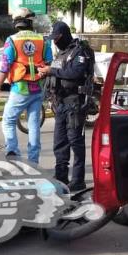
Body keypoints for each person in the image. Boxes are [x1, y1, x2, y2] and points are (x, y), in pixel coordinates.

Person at [40, 21, 94, 192]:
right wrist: (45, 71)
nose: (54, 42)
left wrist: (51, 71)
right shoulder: (61, 53)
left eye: (56, 39)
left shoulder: (80, 52)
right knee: (60, 142)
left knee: (75, 142)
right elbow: (55, 72)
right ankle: (61, 176)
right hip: (61, 103)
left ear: (63, 36)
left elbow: (75, 73)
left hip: (75, 103)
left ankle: (78, 180)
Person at [0, 8, 52, 163]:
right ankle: (34, 161)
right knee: (33, 124)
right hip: (37, 88)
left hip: (20, 88)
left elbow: (5, 66)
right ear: (30, 21)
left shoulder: (12, 40)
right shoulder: (42, 40)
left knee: (8, 120)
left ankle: (13, 151)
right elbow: (48, 62)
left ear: (17, 23)